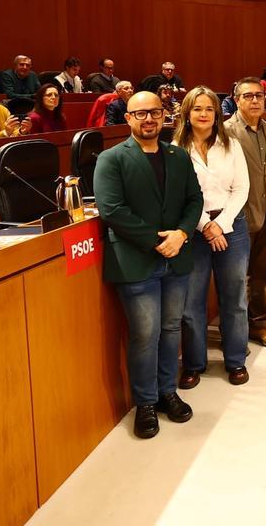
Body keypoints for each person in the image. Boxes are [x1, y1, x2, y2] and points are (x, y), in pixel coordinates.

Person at [94, 91, 203, 439]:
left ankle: (166, 392)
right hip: (136, 260)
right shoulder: (111, 159)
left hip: (177, 259)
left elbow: (194, 199)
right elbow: (112, 212)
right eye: (140, 114)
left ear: (163, 115)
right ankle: (144, 402)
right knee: (145, 334)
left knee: (171, 329)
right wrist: (160, 241)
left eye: (154, 112)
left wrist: (183, 234)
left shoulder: (178, 155)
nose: (148, 119)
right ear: (127, 119)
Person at [173, 87, 251, 390]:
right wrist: (207, 225)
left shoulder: (231, 144)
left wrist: (222, 224)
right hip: (194, 231)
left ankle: (235, 360)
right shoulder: (177, 147)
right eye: (197, 109)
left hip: (232, 226)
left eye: (209, 109)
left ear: (217, 113)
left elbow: (241, 188)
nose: (203, 114)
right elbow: (180, 194)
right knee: (192, 302)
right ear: (187, 113)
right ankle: (194, 364)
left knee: (234, 297)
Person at [225, 77, 266, 349]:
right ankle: (233, 333)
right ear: (236, 100)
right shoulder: (225, 132)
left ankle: (258, 325)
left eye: (259, 96)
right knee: (236, 279)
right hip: (238, 217)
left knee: (261, 276)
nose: (255, 100)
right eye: (248, 96)